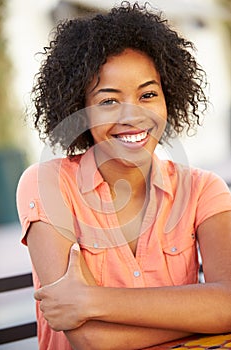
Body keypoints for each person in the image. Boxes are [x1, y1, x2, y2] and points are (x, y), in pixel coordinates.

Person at [16, 2, 231, 350]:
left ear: (168, 98)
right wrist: (199, 316)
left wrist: (93, 302)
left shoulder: (204, 190)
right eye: (108, 101)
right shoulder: (48, 185)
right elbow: (89, 339)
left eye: (148, 95)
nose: (133, 116)